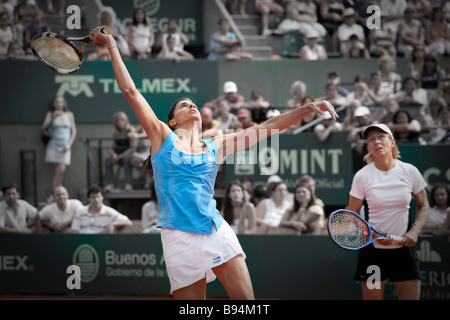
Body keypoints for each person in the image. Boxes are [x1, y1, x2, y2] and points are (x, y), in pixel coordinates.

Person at [89, 25, 337, 299]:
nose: (191, 106)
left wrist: (307, 108)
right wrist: (111, 44)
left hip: (215, 229)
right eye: (183, 105)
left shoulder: (217, 144)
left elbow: (268, 127)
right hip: (177, 236)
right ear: (172, 120)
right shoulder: (162, 136)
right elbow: (130, 91)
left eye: (193, 103)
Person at [346, 123, 429, 300]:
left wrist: (414, 232)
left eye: (381, 137)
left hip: (404, 251)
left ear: (392, 142)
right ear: (368, 147)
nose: (377, 142)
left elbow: (424, 205)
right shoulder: (362, 176)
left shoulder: (410, 171)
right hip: (373, 253)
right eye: (371, 139)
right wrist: (372, 235)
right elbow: (351, 214)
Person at [41, 95, 77, 197]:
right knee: (56, 173)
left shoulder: (69, 115)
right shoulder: (50, 114)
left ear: (64, 103)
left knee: (61, 172)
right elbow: (43, 127)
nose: (59, 104)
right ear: (53, 104)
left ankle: (55, 194)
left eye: (61, 102)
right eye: (57, 102)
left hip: (65, 147)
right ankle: (56, 195)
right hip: (53, 146)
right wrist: (52, 117)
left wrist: (69, 144)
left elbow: (74, 131)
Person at [103, 111, 137, 192]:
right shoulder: (114, 132)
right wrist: (114, 154)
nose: (120, 122)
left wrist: (121, 156)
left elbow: (133, 148)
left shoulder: (131, 130)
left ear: (126, 120)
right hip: (118, 155)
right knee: (108, 159)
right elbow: (109, 147)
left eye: (122, 120)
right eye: (118, 120)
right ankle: (109, 184)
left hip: (129, 154)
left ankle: (129, 184)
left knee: (126, 159)